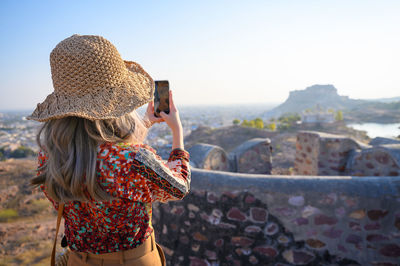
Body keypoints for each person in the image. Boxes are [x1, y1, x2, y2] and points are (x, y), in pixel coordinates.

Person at [27, 34, 191, 266]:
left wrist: (146, 122)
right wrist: (177, 132)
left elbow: (102, 153)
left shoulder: (50, 155)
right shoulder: (135, 159)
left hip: (78, 260)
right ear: (117, 100)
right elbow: (179, 187)